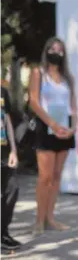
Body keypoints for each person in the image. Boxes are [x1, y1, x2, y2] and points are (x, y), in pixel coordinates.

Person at [28, 37, 77, 235]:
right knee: (45, 177)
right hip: (46, 127)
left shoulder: (68, 78)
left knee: (56, 176)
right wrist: (52, 124)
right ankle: (38, 220)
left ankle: (50, 218)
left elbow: (72, 106)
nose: (56, 52)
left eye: (60, 49)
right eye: (52, 48)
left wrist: (73, 127)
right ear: (46, 50)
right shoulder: (38, 73)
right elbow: (34, 102)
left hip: (64, 129)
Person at [1, 86, 21, 251]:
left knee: (12, 189)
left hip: (4, 152)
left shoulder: (2, 92)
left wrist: (13, 150)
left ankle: (2, 233)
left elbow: (7, 120)